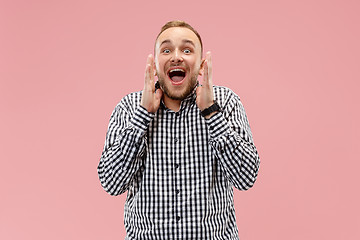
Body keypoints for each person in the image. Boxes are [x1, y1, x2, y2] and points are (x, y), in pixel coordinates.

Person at [97, 20, 260, 240]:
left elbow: (246, 177)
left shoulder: (226, 102)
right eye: (166, 50)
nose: (176, 56)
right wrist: (142, 117)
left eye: (186, 49)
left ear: (201, 65)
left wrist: (212, 113)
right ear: (155, 65)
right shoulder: (129, 107)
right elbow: (112, 183)